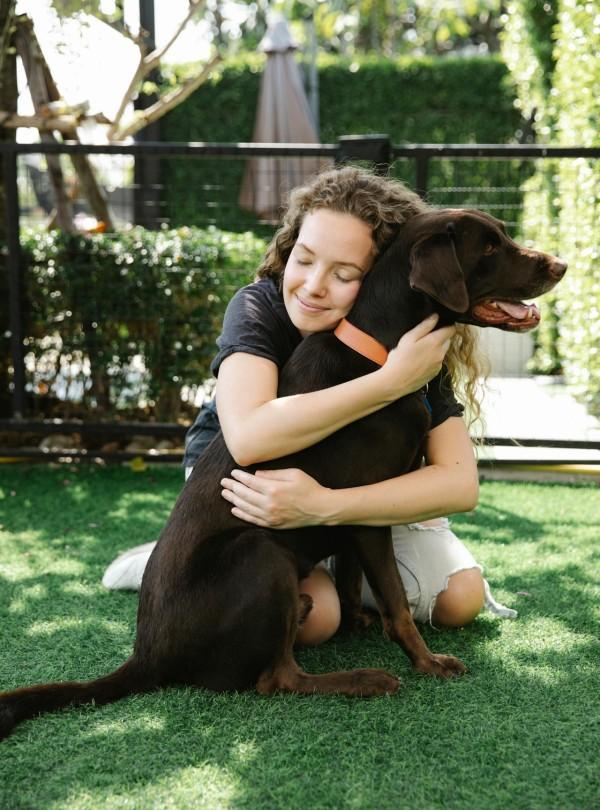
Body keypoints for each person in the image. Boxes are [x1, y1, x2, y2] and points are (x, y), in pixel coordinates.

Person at [103, 166, 516, 645]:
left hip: (342, 491)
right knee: (317, 618)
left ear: (388, 279)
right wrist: (391, 382)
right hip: (244, 496)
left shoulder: (410, 334)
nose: (314, 285)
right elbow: (250, 438)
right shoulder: (260, 308)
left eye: (344, 274)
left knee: (460, 598)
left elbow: (459, 484)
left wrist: (326, 507)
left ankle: (341, 556)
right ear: (289, 248)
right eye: (304, 259)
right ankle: (177, 563)